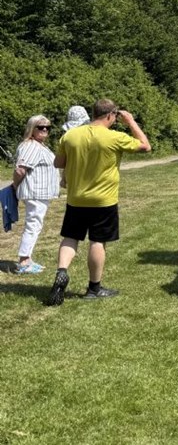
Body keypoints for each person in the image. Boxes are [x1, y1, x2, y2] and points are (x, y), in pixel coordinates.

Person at [45, 99, 151, 306]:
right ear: (111, 116)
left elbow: (58, 162)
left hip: (76, 198)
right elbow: (146, 146)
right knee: (97, 241)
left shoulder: (70, 135)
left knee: (70, 237)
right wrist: (130, 122)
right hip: (103, 200)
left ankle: (62, 271)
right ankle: (94, 288)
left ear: (93, 113)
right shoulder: (114, 137)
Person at [12, 115, 60, 274]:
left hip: (39, 192)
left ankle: (27, 259)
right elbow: (20, 170)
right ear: (32, 128)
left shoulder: (39, 145)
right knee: (33, 225)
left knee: (35, 224)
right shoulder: (31, 145)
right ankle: (24, 261)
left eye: (48, 127)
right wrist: (15, 187)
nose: (45, 129)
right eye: (41, 127)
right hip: (35, 192)